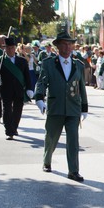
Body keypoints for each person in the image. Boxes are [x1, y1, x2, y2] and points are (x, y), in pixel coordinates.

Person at [34, 31, 88, 182]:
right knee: (51, 137)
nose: (67, 47)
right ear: (57, 46)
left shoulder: (78, 64)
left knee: (73, 140)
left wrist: (84, 107)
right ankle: (47, 160)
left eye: (70, 44)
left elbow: (81, 86)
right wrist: (39, 98)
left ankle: (73, 171)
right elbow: (41, 82)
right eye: (64, 43)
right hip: (55, 106)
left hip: (73, 108)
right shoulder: (49, 63)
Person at [0, 37, 33, 140]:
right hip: (5, 89)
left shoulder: (22, 61)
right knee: (6, 110)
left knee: (17, 110)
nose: (10, 50)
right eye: (8, 48)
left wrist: (29, 88)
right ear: (5, 49)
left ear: (15, 48)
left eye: (12, 47)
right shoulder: (0, 61)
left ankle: (14, 127)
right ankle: (9, 131)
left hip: (18, 89)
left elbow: (27, 76)